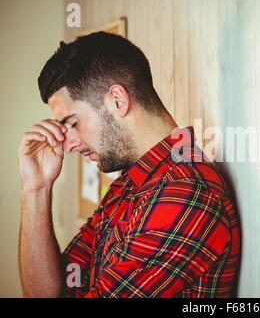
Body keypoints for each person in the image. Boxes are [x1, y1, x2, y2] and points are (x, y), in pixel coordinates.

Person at [17, 31, 240, 298]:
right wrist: (36, 188)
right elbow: (49, 292)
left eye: (73, 123)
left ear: (118, 101)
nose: (68, 144)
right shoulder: (133, 183)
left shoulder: (183, 194)